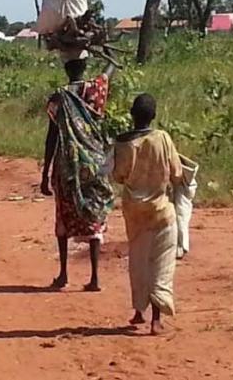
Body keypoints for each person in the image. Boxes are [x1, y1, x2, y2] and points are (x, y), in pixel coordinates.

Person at [40, 57, 115, 292]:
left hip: (67, 164)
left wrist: (45, 172)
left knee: (63, 215)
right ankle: (94, 277)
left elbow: (52, 136)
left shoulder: (59, 97)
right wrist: (107, 57)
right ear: (85, 68)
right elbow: (109, 72)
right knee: (94, 216)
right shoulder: (94, 90)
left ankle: (63, 274)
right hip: (94, 162)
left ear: (66, 68)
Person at [113, 94, 183, 336]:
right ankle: (156, 319)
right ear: (154, 116)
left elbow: (118, 176)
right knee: (161, 265)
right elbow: (176, 172)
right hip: (162, 212)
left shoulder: (123, 144)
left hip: (135, 215)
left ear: (132, 115)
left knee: (138, 263)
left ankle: (138, 312)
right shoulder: (162, 138)